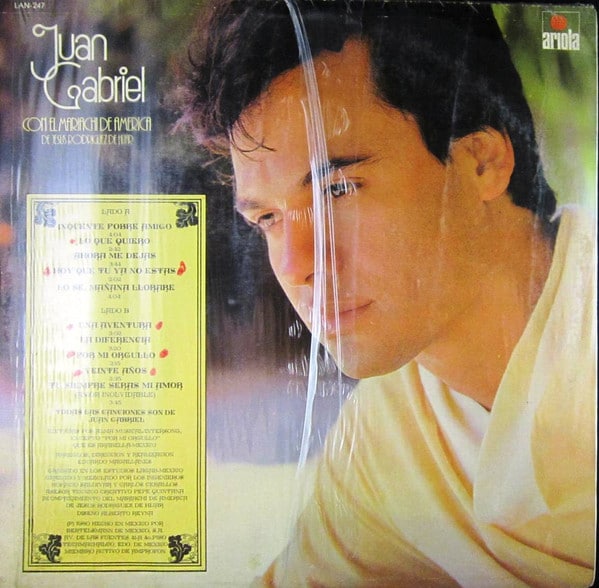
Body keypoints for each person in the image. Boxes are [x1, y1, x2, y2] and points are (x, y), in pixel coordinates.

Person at [178, 1, 596, 585]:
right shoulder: (391, 427)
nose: (297, 266)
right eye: (267, 219)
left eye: (338, 189)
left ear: (481, 162)